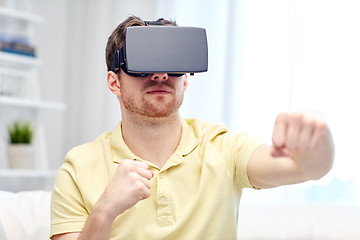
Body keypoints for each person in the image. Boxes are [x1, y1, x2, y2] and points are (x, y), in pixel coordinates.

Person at [50, 16, 334, 240]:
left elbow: (307, 168)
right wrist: (105, 209)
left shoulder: (222, 147)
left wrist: (316, 137)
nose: (160, 74)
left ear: (185, 80)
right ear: (114, 82)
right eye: (142, 64)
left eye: (172, 64)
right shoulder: (78, 167)